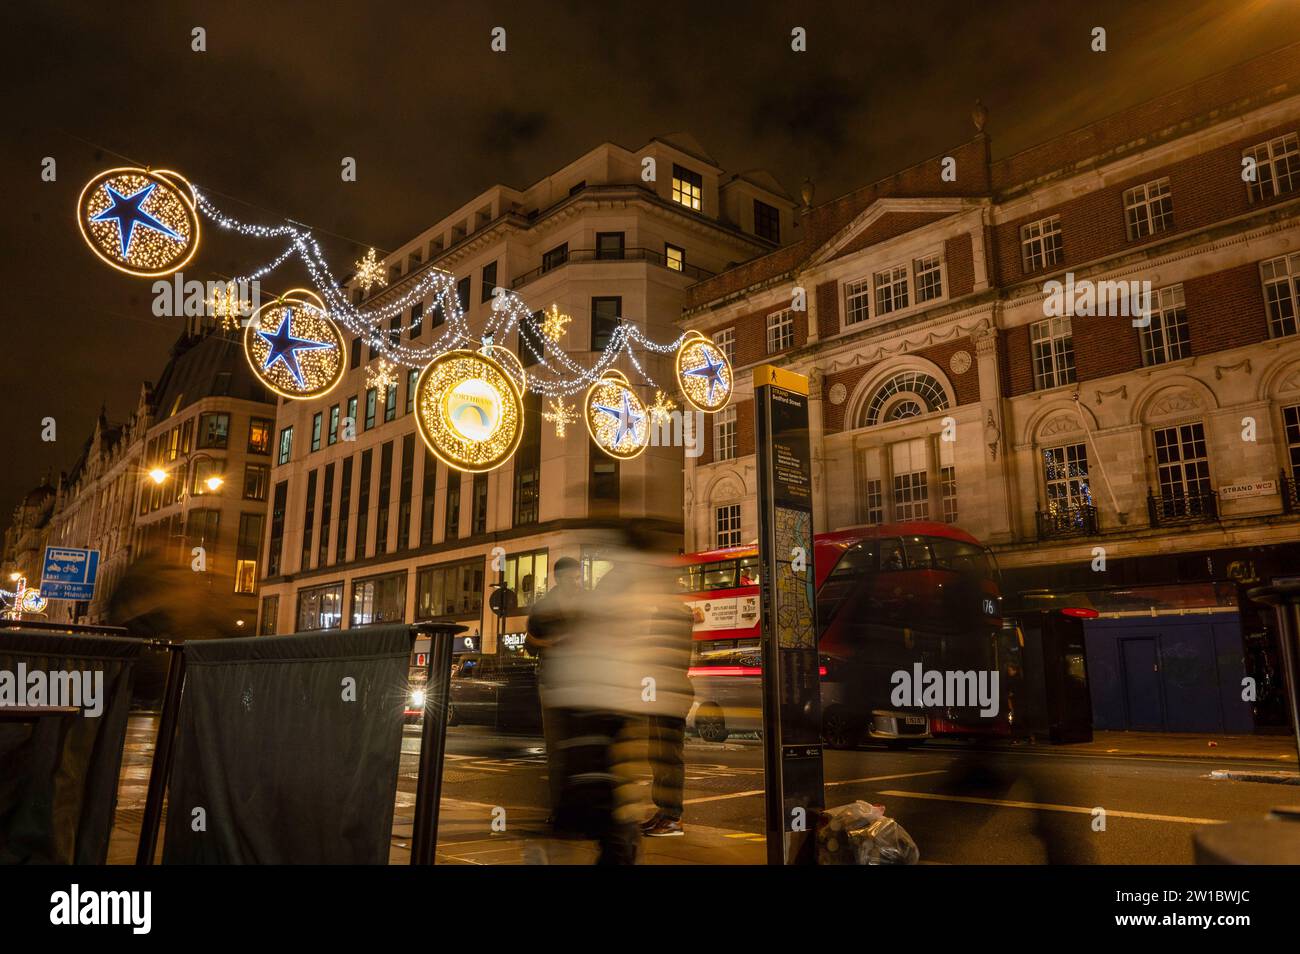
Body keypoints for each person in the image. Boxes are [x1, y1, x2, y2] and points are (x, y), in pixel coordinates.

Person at [526, 556, 583, 821]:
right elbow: (529, 643)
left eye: (578, 577)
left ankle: (581, 807)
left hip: (583, 682)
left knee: (581, 748)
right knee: (556, 748)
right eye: (571, 578)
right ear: (558, 578)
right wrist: (554, 643)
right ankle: (559, 809)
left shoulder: (587, 603)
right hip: (553, 681)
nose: (576, 582)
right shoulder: (543, 608)